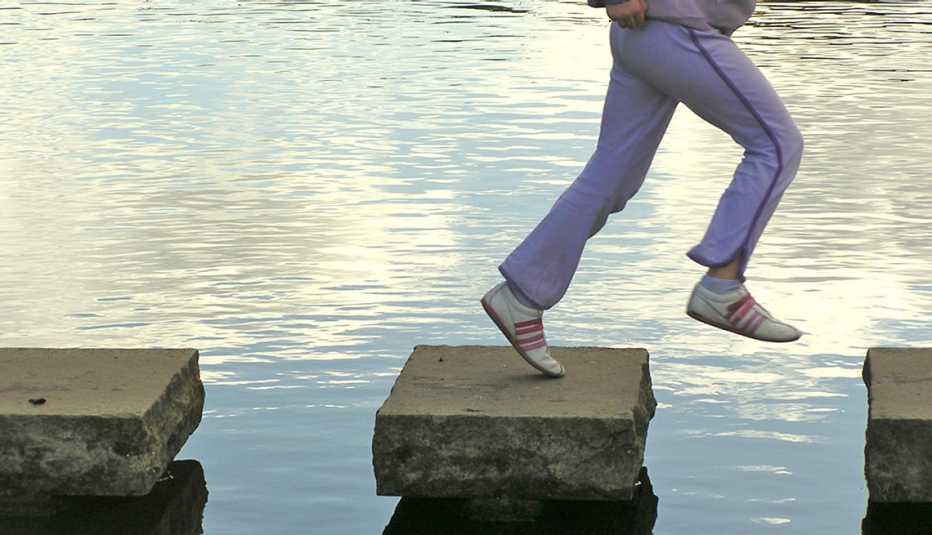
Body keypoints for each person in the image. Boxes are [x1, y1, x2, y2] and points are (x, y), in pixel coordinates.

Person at [480, 0, 804, 378]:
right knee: (777, 146)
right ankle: (723, 286)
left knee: (613, 177)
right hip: (677, 26)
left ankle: (521, 296)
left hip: (654, 32)